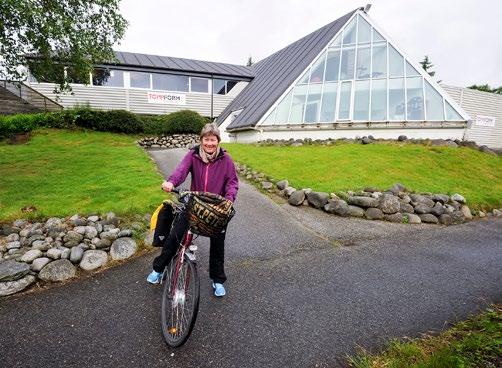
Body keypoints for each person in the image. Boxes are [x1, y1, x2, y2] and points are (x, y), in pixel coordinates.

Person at [147, 123, 239, 297]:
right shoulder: (193, 155)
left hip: (216, 207)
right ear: (201, 140)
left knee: (218, 244)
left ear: (218, 140)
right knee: (175, 236)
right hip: (194, 203)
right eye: (206, 139)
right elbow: (181, 171)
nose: (210, 143)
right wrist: (171, 182)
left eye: (213, 140)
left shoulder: (226, 159)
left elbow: (232, 182)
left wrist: (229, 199)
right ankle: (158, 269)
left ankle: (217, 280)